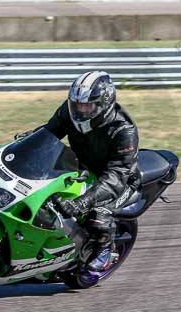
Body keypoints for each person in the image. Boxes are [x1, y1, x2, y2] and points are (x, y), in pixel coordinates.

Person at [19, 71, 141, 272]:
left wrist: (83, 202)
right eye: (77, 105)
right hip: (80, 166)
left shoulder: (123, 131)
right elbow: (49, 132)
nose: (81, 110)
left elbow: (117, 175)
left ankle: (104, 249)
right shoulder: (68, 112)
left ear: (104, 103)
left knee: (99, 214)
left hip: (119, 180)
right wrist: (26, 144)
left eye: (87, 105)